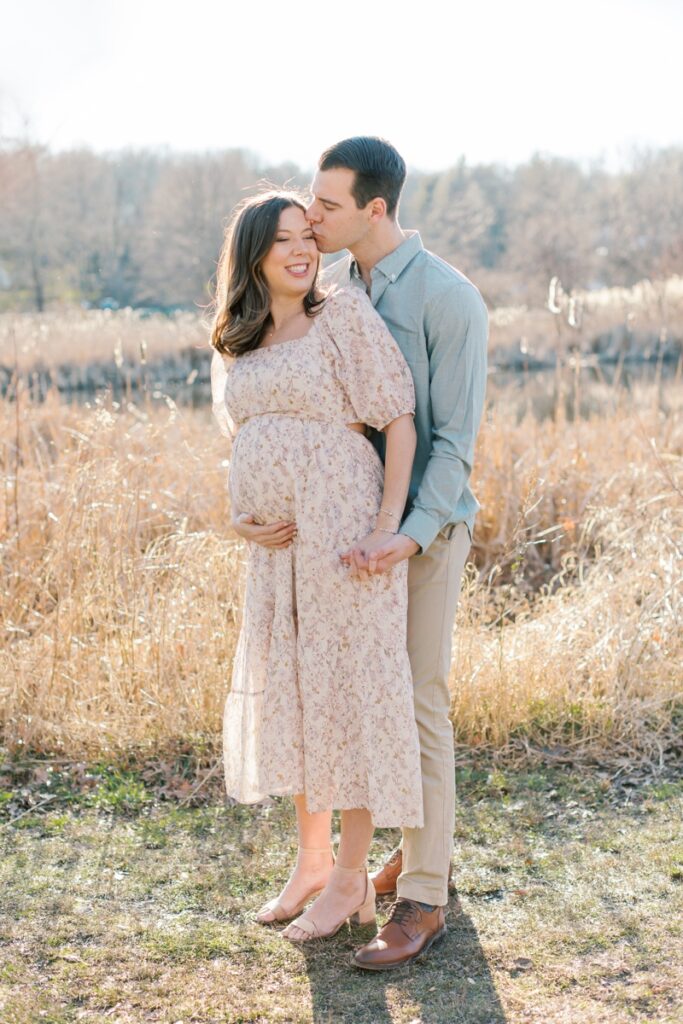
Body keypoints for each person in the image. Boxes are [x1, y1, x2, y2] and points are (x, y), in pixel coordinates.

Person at [234, 138, 488, 969]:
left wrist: (400, 530)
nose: (311, 220)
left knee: (414, 698)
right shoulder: (338, 289)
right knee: (355, 693)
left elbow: (450, 440)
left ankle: (422, 893)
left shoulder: (449, 300)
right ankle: (377, 858)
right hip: (338, 539)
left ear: (374, 209)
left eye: (327, 207)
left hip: (421, 529)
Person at [210, 189, 425, 943]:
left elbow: (396, 417)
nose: (303, 251)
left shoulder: (343, 317)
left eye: (309, 237)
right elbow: (242, 439)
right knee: (298, 695)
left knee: (347, 693)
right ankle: (308, 863)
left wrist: (386, 524)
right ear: (253, 256)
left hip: (341, 536)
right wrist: (240, 515)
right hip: (277, 553)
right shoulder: (239, 338)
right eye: (283, 242)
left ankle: (349, 878)